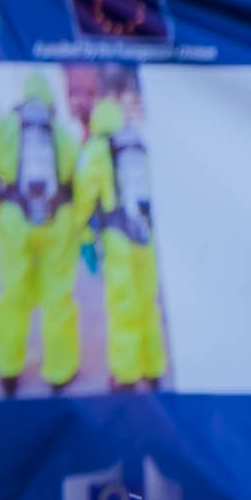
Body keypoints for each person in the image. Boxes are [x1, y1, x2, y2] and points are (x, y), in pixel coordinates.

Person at [0, 68, 84, 397]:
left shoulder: (1, 130)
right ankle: (60, 374)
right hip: (58, 221)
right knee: (58, 298)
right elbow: (77, 183)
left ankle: (8, 370)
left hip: (14, 220)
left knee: (12, 296)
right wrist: (78, 231)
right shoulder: (63, 133)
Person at [77, 93, 169, 389]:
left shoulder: (96, 149)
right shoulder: (139, 145)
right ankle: (153, 369)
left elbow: (83, 200)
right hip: (147, 238)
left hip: (117, 238)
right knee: (148, 305)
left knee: (123, 308)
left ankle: (127, 375)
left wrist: (86, 237)